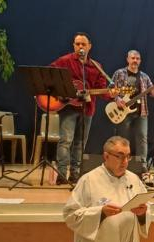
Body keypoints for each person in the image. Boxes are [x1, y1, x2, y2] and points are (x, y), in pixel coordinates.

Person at [50, 32, 116, 184]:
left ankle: (75, 174)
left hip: (87, 109)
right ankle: (61, 175)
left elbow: (101, 91)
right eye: (78, 44)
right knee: (65, 141)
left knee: (80, 143)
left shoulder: (96, 66)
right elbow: (50, 74)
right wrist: (62, 93)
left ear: (89, 47)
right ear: (74, 46)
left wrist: (111, 94)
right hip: (68, 108)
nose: (80, 47)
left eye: (83, 44)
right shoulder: (64, 61)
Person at [111, 50, 154, 172]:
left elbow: (153, 93)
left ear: (140, 61)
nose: (135, 60)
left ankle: (142, 166)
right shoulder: (119, 73)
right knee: (123, 139)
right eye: (133, 58)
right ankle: (120, 163)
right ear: (127, 59)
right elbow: (111, 89)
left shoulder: (144, 76)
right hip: (123, 112)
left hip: (141, 112)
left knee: (142, 138)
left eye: (137, 58)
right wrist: (117, 99)